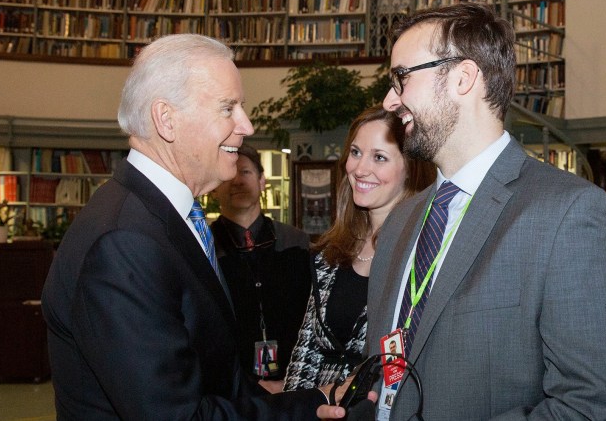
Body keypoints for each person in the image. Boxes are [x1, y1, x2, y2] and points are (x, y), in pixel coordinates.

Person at [41, 33, 352, 420]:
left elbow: (209, 374)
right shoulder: (125, 241)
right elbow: (178, 414)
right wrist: (305, 409)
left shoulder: (161, 216)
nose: (247, 125)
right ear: (167, 119)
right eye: (228, 108)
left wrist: (313, 400)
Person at [360, 2, 606, 420]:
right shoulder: (401, 219)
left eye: (401, 78)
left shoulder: (567, 213)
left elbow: (598, 404)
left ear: (463, 77)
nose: (389, 101)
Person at [284, 105, 436, 392]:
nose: (360, 168)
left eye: (379, 157)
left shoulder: (424, 254)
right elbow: (304, 354)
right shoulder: (329, 254)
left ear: (410, 169)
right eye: (355, 152)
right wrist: (298, 409)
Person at [210, 143, 311, 391]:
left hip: (294, 383)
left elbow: (312, 318)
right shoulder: (204, 248)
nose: (237, 181)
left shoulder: (296, 242)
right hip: (230, 390)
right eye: (229, 175)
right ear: (213, 189)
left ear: (262, 181)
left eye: (245, 172)